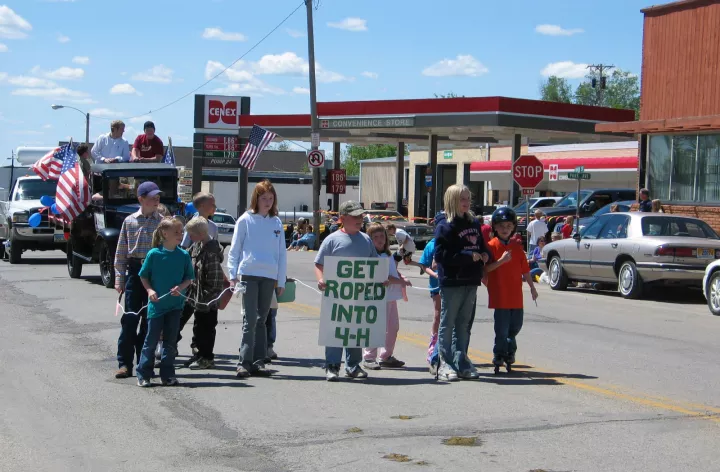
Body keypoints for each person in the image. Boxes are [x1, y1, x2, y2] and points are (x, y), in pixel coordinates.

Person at [227, 180, 287, 378]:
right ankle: (244, 362)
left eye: (271, 198)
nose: (268, 202)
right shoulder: (245, 219)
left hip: (269, 276)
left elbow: (281, 253)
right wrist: (232, 275)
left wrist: (281, 280)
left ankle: (259, 362)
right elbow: (235, 249)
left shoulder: (276, 222)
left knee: (263, 320)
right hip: (249, 274)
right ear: (256, 199)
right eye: (264, 198)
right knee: (250, 320)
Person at [315, 201, 379, 381]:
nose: (360, 219)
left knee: (355, 330)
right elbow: (319, 264)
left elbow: (375, 265)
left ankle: (353, 365)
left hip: (359, 295)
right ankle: (332, 365)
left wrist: (380, 281)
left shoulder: (366, 239)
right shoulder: (332, 239)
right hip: (336, 296)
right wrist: (321, 279)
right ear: (342, 219)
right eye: (355, 216)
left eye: (361, 216)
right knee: (336, 330)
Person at [434, 184, 490, 382]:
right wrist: (468, 255)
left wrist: (485, 254)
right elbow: (441, 255)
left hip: (471, 279)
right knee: (448, 323)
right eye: (462, 199)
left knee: (464, 324)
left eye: (467, 198)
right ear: (452, 201)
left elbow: (482, 245)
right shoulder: (445, 225)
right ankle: (444, 362)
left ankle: (461, 361)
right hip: (452, 281)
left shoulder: (474, 223)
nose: (466, 202)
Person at [113, 181, 163, 379]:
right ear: (141, 199)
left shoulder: (162, 222)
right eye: (152, 196)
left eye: (158, 196)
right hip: (135, 272)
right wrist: (119, 278)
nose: (156, 199)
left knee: (150, 321)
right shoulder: (130, 221)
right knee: (130, 318)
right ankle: (124, 363)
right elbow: (121, 252)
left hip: (155, 274)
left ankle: (145, 362)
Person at [136, 217, 195, 387]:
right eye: (176, 232)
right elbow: (143, 275)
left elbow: (189, 278)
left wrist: (180, 288)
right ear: (164, 233)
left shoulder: (183, 255)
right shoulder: (154, 254)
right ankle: (144, 374)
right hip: (157, 307)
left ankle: (167, 374)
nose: (180, 234)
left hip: (175, 307)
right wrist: (150, 290)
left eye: (181, 231)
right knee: (151, 341)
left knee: (170, 342)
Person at [484, 207, 538, 370]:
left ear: (513, 227)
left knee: (515, 327)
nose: (505, 229)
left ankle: (509, 350)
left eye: (508, 226)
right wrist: (500, 261)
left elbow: (525, 270)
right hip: (500, 296)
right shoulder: (491, 246)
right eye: (501, 226)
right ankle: (500, 354)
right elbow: (485, 269)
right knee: (501, 329)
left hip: (516, 297)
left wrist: (532, 287)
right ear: (495, 227)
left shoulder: (516, 247)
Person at [178, 217, 225, 370]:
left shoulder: (211, 252)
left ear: (201, 234)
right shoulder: (197, 246)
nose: (189, 238)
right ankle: (199, 356)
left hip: (207, 302)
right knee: (198, 328)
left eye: (191, 234)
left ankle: (207, 358)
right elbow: (186, 257)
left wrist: (205, 299)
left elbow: (216, 282)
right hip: (197, 298)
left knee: (206, 329)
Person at [362, 223, 411, 370]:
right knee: (376, 327)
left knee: (393, 327)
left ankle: (386, 356)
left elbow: (392, 272)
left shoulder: (388, 254)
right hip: (377, 297)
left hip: (390, 297)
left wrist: (401, 276)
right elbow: (385, 276)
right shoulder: (372, 256)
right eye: (375, 237)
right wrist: (401, 281)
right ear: (369, 239)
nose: (379, 239)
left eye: (382, 236)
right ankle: (369, 356)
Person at [418, 235, 441, 373]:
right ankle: (433, 346)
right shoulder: (431, 245)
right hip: (436, 285)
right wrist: (435, 274)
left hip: (452, 284)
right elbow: (424, 265)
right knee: (438, 314)